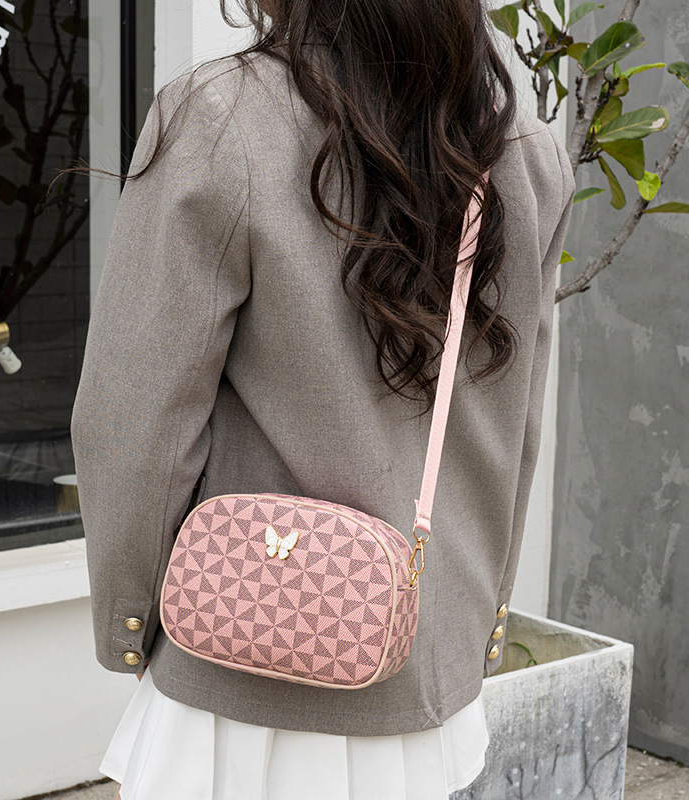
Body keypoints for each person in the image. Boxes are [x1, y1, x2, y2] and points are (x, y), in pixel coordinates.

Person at [70, 0, 576, 797]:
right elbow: (518, 427)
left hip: (244, 670)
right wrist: (477, 617)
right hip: (424, 672)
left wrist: (132, 621)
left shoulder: (222, 117)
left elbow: (133, 424)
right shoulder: (523, 150)